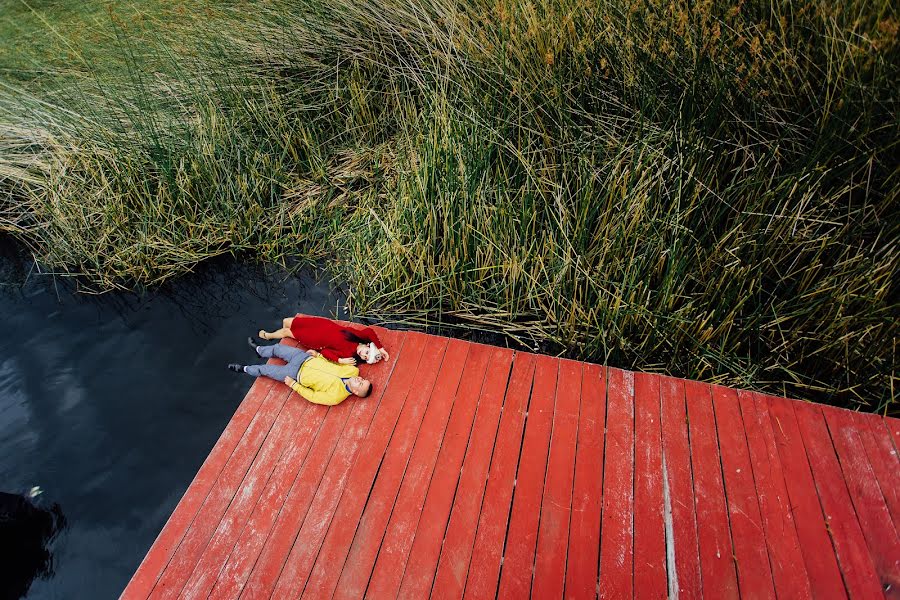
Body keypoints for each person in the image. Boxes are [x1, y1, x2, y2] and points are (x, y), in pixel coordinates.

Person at [228, 339, 372, 405]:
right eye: (362, 380)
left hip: (295, 374)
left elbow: (313, 396)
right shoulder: (353, 370)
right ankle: (259, 350)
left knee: (265, 370)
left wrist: (293, 385)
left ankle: (244, 369)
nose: (359, 379)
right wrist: (318, 355)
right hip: (305, 358)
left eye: (360, 384)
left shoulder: (336, 397)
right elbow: (333, 362)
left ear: (356, 393)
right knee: (278, 348)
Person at [257, 315, 390, 365]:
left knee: (287, 331)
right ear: (368, 345)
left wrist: (340, 360)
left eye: (366, 358)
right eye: (367, 352)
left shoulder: (349, 355)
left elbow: (326, 352)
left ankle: (270, 336)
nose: (364, 355)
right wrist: (381, 348)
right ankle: (278, 333)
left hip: (315, 339)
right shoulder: (359, 337)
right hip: (321, 325)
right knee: (286, 321)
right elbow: (370, 331)